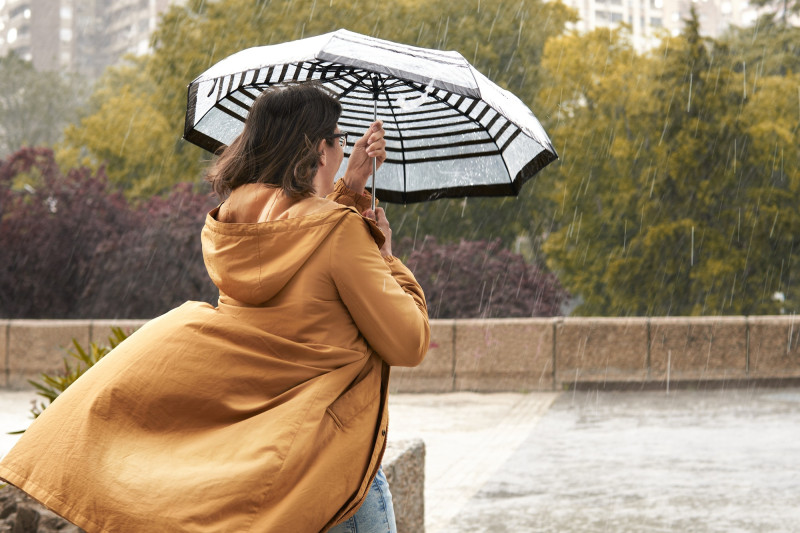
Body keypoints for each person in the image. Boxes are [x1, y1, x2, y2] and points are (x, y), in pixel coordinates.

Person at [0, 83, 430, 532]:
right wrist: (386, 258)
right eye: (339, 141)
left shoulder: (234, 221)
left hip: (266, 463)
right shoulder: (340, 234)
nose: (343, 152)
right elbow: (409, 342)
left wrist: (352, 187)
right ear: (320, 151)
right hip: (333, 468)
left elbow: (303, 242)